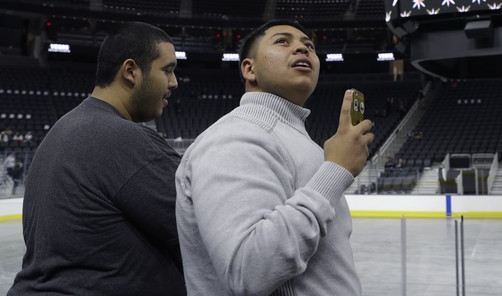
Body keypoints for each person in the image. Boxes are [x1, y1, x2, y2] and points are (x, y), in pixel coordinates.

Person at [176, 20, 374, 296]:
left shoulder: (289, 137)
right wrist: (336, 170)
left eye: (309, 46)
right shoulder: (236, 137)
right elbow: (248, 269)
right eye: (283, 41)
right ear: (249, 69)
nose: (302, 49)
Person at [8, 22, 185, 296]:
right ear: (130, 71)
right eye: (168, 70)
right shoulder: (122, 138)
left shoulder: (64, 130)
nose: (174, 82)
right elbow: (204, 230)